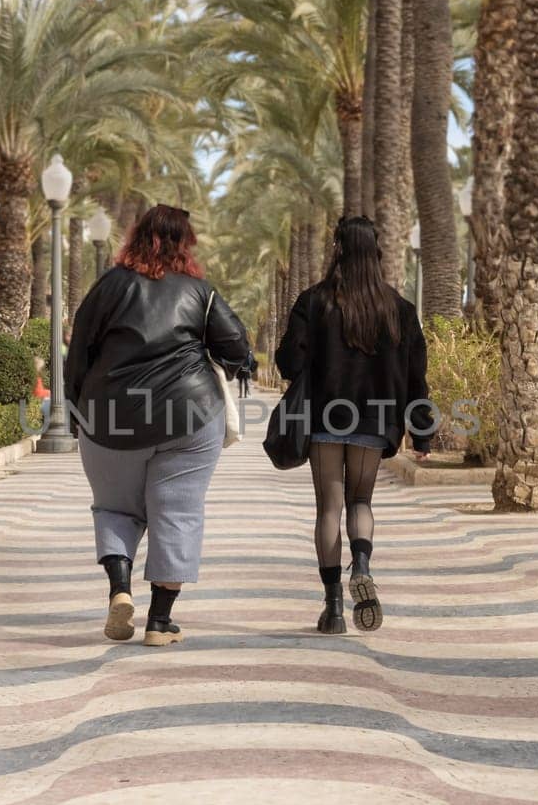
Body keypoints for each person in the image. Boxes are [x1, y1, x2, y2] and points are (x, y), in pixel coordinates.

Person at [66, 205, 252, 647]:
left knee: (114, 508)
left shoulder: (108, 286)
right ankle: (159, 622)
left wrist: (77, 411)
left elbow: (79, 353)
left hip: (109, 419)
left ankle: (120, 590)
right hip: (189, 416)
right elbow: (237, 346)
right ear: (185, 243)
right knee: (178, 511)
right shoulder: (199, 292)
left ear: (135, 237)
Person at [274, 215, 433, 635]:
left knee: (329, 507)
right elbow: (417, 377)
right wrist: (423, 431)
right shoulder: (399, 309)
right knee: (360, 502)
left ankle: (334, 611)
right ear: (377, 252)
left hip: (325, 417)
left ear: (337, 250)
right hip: (375, 419)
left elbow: (288, 363)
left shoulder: (314, 301)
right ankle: (361, 563)